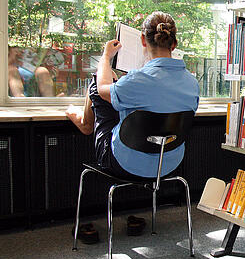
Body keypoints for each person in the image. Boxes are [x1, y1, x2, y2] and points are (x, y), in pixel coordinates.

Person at [66, 11, 200, 181]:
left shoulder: (136, 80)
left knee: (97, 80)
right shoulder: (192, 83)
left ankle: (85, 124)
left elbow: (101, 89)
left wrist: (106, 56)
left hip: (126, 164)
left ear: (143, 40)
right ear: (174, 45)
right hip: (168, 164)